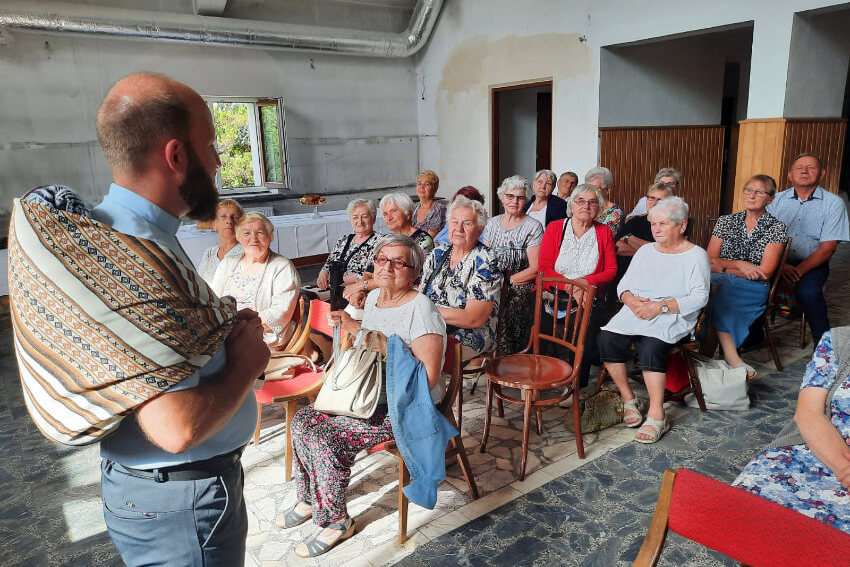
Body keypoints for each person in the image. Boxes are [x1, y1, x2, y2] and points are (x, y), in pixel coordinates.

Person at [93, 74, 268, 565]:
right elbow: (175, 428)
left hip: (166, 492)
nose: (216, 161)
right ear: (176, 156)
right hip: (179, 501)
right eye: (210, 146)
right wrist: (246, 362)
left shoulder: (127, 231)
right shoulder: (139, 253)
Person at [281, 235, 446, 557]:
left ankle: (336, 521)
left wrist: (381, 342)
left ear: (415, 274)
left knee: (327, 436)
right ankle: (309, 496)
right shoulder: (373, 301)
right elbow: (365, 352)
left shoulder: (422, 309)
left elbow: (428, 378)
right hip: (368, 395)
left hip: (405, 406)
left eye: (400, 262)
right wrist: (351, 328)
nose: (388, 267)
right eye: (383, 259)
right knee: (303, 419)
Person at [598, 196, 710, 444]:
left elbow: (700, 298)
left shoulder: (696, 255)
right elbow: (625, 283)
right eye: (653, 224)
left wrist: (659, 307)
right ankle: (629, 399)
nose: (656, 229)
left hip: (672, 315)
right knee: (607, 340)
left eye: (663, 224)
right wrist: (630, 300)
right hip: (638, 310)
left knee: (649, 346)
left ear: (681, 226)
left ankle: (657, 415)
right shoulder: (646, 251)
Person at [733, 328, 850, 534]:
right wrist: (844, 469)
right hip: (817, 450)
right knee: (746, 507)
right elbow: (809, 412)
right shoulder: (840, 341)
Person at [706, 175, 787, 378]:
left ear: (770, 199)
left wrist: (724, 268)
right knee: (705, 291)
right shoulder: (726, 221)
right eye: (748, 190)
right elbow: (708, 260)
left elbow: (764, 272)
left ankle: (703, 357)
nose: (751, 195)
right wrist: (739, 265)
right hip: (721, 280)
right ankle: (728, 358)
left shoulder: (777, 228)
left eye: (759, 192)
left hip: (754, 288)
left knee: (713, 296)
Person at [766, 153, 850, 347]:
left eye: (811, 167)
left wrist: (796, 273)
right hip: (776, 261)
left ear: (822, 174)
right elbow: (763, 238)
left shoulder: (833, 203)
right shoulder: (775, 200)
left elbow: (827, 249)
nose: (804, 171)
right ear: (790, 175)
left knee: (809, 293)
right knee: (753, 288)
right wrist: (781, 265)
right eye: (799, 167)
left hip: (813, 263)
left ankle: (824, 346)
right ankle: (752, 335)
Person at [538, 184, 617, 386]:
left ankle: (576, 383)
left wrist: (585, 284)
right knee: (538, 321)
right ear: (572, 205)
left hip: (588, 293)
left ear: (599, 208)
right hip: (554, 291)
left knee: (585, 325)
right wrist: (571, 287)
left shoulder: (604, 232)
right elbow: (544, 268)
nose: (586, 206)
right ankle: (538, 376)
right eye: (580, 201)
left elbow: (610, 270)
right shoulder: (555, 228)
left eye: (592, 202)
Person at [422, 196, 502, 361]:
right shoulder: (437, 254)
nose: (459, 228)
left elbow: (473, 318)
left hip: (472, 333)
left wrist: (427, 312)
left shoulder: (485, 261)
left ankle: (432, 386)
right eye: (454, 222)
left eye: (467, 223)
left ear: (480, 229)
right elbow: (421, 295)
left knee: (424, 350)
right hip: (432, 325)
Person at [211, 212, 301, 346]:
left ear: (270, 236)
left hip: (262, 336)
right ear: (238, 237)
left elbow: (280, 312)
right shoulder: (228, 263)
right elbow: (213, 300)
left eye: (260, 233)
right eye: (246, 233)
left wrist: (240, 327)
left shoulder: (281, 266)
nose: (254, 238)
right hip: (226, 331)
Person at [481, 175, 544, 355]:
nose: (514, 201)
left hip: (519, 281)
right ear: (502, 198)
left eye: (520, 197)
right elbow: (484, 258)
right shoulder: (491, 223)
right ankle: (484, 351)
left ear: (526, 200)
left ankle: (510, 356)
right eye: (510, 196)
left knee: (511, 302)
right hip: (493, 280)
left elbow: (535, 268)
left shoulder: (533, 226)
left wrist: (506, 282)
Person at [343, 192, 434, 305]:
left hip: (406, 297)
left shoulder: (423, 241)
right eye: (385, 214)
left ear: (409, 213)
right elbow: (370, 271)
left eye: (393, 211)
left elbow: (402, 278)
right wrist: (360, 292)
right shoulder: (387, 239)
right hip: (382, 293)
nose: (389, 218)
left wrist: (361, 286)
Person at [316, 198, 381, 292]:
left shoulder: (380, 242)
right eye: (355, 217)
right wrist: (323, 273)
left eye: (365, 216)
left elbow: (374, 274)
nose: (360, 221)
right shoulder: (343, 240)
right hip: (333, 289)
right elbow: (329, 263)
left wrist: (340, 279)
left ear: (373, 219)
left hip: (359, 291)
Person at [614, 182, 675, 275]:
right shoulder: (634, 221)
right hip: (623, 275)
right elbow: (616, 247)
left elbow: (663, 254)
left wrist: (629, 238)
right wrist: (649, 253)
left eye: (660, 200)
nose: (654, 203)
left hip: (652, 277)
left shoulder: (671, 227)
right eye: (651, 198)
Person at [196, 198, 244, 283]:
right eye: (223, 216)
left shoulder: (246, 253)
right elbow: (199, 283)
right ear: (214, 225)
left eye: (235, 217)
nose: (229, 221)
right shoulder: (209, 253)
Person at [585, 166, 623, 234]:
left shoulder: (615, 213)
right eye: (588, 187)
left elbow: (607, 239)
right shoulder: (584, 207)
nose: (591, 191)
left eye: (595, 188)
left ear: (607, 190)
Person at [412, 169, 446, 238]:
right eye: (419, 183)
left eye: (427, 184)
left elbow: (428, 239)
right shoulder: (414, 208)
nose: (421, 187)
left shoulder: (439, 209)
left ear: (435, 189)